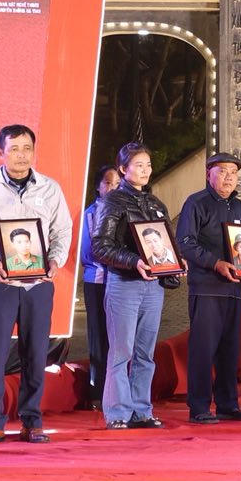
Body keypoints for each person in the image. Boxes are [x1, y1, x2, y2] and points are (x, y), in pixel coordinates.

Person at [0, 123, 74, 444]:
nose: (21, 155)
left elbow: (62, 230)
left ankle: (32, 421)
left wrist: (55, 260)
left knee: (36, 353)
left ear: (34, 152)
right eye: (14, 149)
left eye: (27, 149)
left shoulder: (50, 189)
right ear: (1, 152)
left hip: (38, 284)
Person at [89, 142, 178, 430]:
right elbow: (100, 247)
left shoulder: (156, 204)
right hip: (124, 284)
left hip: (153, 287)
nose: (145, 170)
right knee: (121, 351)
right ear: (123, 169)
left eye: (148, 165)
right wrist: (133, 261)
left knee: (145, 352)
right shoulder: (112, 202)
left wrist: (176, 263)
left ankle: (141, 410)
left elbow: (167, 245)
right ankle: (117, 412)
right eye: (138, 165)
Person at [175, 152, 241, 425]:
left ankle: (227, 404)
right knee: (203, 349)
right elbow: (185, 243)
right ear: (208, 174)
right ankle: (199, 406)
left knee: (230, 350)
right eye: (222, 171)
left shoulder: (240, 207)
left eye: (233, 173)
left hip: (234, 289)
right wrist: (215, 263)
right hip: (207, 287)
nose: (228, 178)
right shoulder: (196, 203)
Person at [78, 167, 123, 411]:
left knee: (120, 338)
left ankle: (118, 392)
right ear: (98, 186)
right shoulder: (91, 214)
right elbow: (88, 253)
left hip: (122, 282)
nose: (113, 187)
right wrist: (118, 259)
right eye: (108, 183)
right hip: (97, 282)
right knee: (99, 337)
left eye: (117, 183)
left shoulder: (125, 210)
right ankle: (98, 393)